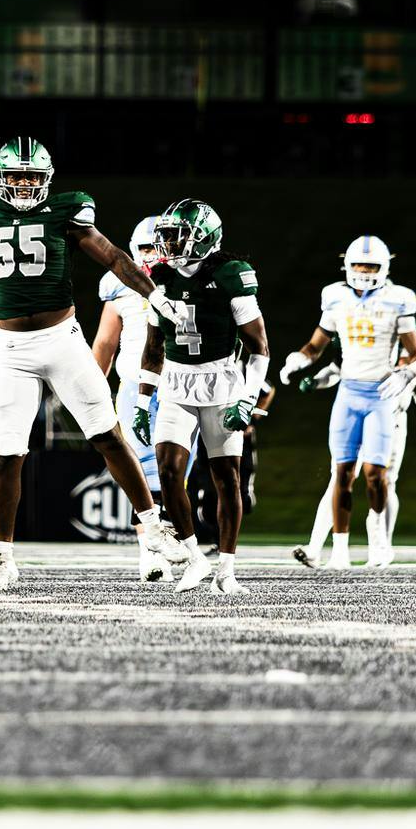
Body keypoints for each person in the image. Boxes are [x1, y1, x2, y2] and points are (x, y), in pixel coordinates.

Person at [0, 138, 189, 592]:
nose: (24, 185)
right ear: (2, 179)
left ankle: (152, 526)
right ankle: (4, 558)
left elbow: (114, 256)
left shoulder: (68, 209)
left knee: (107, 433)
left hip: (63, 340)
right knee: (7, 455)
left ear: (46, 179)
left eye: (32, 177)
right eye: (17, 177)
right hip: (10, 349)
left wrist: (152, 292)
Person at [134, 198, 270, 596]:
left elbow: (259, 346)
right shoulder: (159, 277)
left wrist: (247, 399)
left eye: (176, 236)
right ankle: (194, 558)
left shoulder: (231, 274)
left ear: (202, 237)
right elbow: (154, 347)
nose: (169, 244)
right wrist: (143, 402)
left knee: (228, 478)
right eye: (167, 236)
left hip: (222, 381)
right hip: (176, 382)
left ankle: (227, 570)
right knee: (169, 469)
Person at [279, 236, 416, 570]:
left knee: (375, 474)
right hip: (349, 393)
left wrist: (403, 377)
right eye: (359, 264)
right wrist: (298, 360)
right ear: (346, 265)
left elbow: (415, 353)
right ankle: (338, 551)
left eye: (371, 266)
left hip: (382, 395)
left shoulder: (398, 299)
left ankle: (377, 533)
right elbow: (317, 345)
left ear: (384, 268)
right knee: (341, 473)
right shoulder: (336, 297)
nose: (364, 271)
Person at [91, 216, 170, 580]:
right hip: (132, 384)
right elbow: (106, 342)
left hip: (179, 386)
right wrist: (91, 388)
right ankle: (150, 553)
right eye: (147, 248)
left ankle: (177, 543)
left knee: (175, 468)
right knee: (140, 468)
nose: (154, 256)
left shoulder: (183, 281)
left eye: (160, 247)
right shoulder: (118, 284)